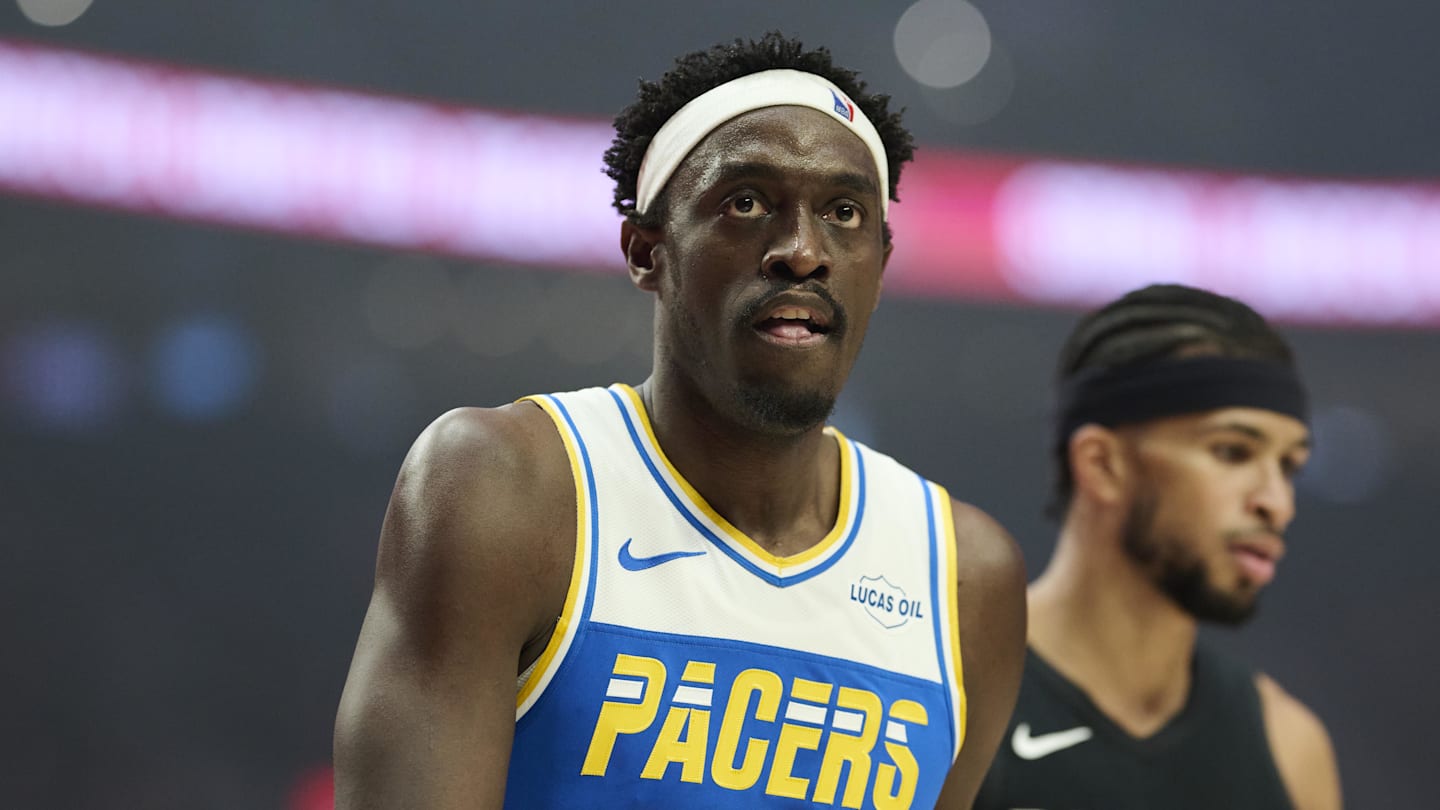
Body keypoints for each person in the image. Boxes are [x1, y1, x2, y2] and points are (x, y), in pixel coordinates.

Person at [333, 32, 1027, 809]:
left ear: (882, 262)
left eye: (843, 212)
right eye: (747, 202)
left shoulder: (966, 576)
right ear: (645, 251)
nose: (802, 251)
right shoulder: (506, 487)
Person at [974, 284, 1342, 810]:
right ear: (1103, 464)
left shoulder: (1291, 745)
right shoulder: (942, 691)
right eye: (1233, 452)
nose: (1277, 503)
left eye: (1289, 466)